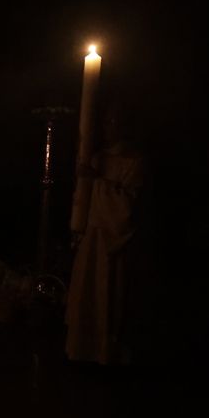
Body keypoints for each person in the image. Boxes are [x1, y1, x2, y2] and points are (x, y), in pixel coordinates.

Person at [65, 103, 149, 365]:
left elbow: (126, 207)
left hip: (111, 241)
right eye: (106, 122)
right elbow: (83, 198)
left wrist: (97, 180)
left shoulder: (133, 161)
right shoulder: (98, 157)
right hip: (92, 237)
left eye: (114, 122)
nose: (109, 128)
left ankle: (105, 352)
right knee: (86, 293)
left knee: (108, 296)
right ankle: (80, 349)